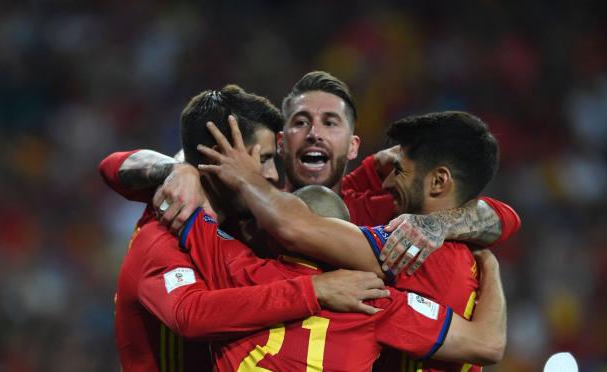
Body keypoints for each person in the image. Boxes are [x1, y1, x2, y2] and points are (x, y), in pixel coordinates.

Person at [179, 115, 506, 371]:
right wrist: (490, 264)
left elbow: (295, 225)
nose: (387, 181)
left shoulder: (407, 254)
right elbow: (489, 343)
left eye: (398, 171)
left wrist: (205, 173)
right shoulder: (384, 295)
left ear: (439, 180)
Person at [99, 71, 520, 266]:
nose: (314, 133)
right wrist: (178, 170)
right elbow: (115, 166)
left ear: (353, 147)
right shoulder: (240, 198)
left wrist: (440, 224)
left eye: (330, 123)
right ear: (281, 143)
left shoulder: (372, 202)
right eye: (301, 122)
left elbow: (502, 217)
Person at [109, 85, 389, 371]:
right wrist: (314, 290)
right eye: (264, 159)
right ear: (222, 157)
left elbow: (322, 206)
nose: (270, 174)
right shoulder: (162, 233)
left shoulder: (244, 221)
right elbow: (189, 314)